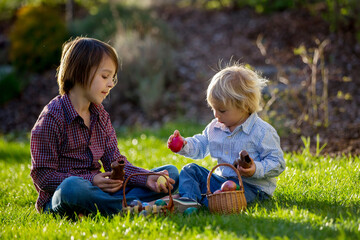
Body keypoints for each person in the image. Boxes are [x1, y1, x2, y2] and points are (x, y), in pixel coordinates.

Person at [30, 37, 179, 218]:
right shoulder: (52, 118)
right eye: (105, 76)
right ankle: (131, 208)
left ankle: (120, 206)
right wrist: (91, 179)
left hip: (100, 192)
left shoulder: (100, 115)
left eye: (112, 78)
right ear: (80, 72)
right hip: (61, 198)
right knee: (73, 187)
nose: (111, 84)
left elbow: (114, 161)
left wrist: (146, 178)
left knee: (170, 174)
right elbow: (43, 177)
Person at [167, 63, 285, 208]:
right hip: (223, 182)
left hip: (252, 188)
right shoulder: (215, 127)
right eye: (213, 109)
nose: (216, 115)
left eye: (222, 110)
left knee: (227, 195)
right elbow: (201, 145)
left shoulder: (262, 132)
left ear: (244, 106)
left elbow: (278, 163)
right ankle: (189, 201)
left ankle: (207, 200)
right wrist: (184, 145)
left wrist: (255, 169)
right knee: (190, 170)